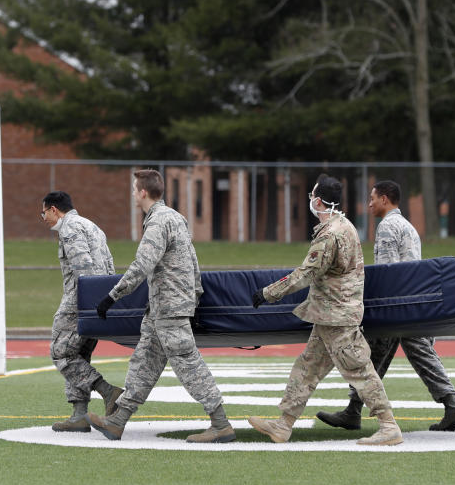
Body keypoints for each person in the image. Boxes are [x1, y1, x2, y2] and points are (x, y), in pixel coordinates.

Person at [248, 174, 403, 446]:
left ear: (318, 201)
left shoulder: (330, 235)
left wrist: (267, 293)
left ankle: (388, 425)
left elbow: (305, 274)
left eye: (311, 196)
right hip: (329, 315)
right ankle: (283, 425)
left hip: (337, 317)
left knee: (359, 370)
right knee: (307, 368)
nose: (309, 200)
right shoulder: (344, 226)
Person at [86, 169, 234, 443]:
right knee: (143, 363)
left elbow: (143, 264)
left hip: (169, 309)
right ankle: (117, 421)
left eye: (133, 189)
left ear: (143, 192)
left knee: (189, 366)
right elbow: (193, 262)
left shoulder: (157, 223)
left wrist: (112, 296)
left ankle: (220, 423)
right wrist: (195, 296)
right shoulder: (176, 218)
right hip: (163, 310)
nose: (132, 193)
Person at [316, 180, 455, 432]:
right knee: (387, 354)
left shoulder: (387, 226)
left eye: (372, 198)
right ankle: (355, 410)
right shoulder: (407, 226)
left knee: (382, 355)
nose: (369, 204)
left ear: (385, 199)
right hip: (411, 302)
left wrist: (379, 309)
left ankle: (451, 408)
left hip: (398, 306)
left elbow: (389, 272)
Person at [42, 191, 123, 433]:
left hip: (81, 299)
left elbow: (84, 268)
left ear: (54, 209)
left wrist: (85, 303)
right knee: (79, 355)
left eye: (43, 212)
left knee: (60, 352)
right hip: (101, 299)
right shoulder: (92, 226)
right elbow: (109, 266)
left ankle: (107, 391)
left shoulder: (70, 228)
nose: (43, 217)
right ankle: (79, 414)